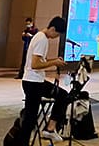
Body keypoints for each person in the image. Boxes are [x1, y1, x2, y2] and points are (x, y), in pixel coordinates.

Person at [18, 16, 69, 145]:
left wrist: (53, 62)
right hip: (33, 83)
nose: (56, 37)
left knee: (61, 95)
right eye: (57, 34)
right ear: (52, 28)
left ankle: (50, 128)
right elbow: (35, 64)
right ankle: (48, 129)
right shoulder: (42, 39)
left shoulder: (40, 37)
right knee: (30, 117)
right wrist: (54, 62)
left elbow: (39, 62)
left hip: (35, 81)